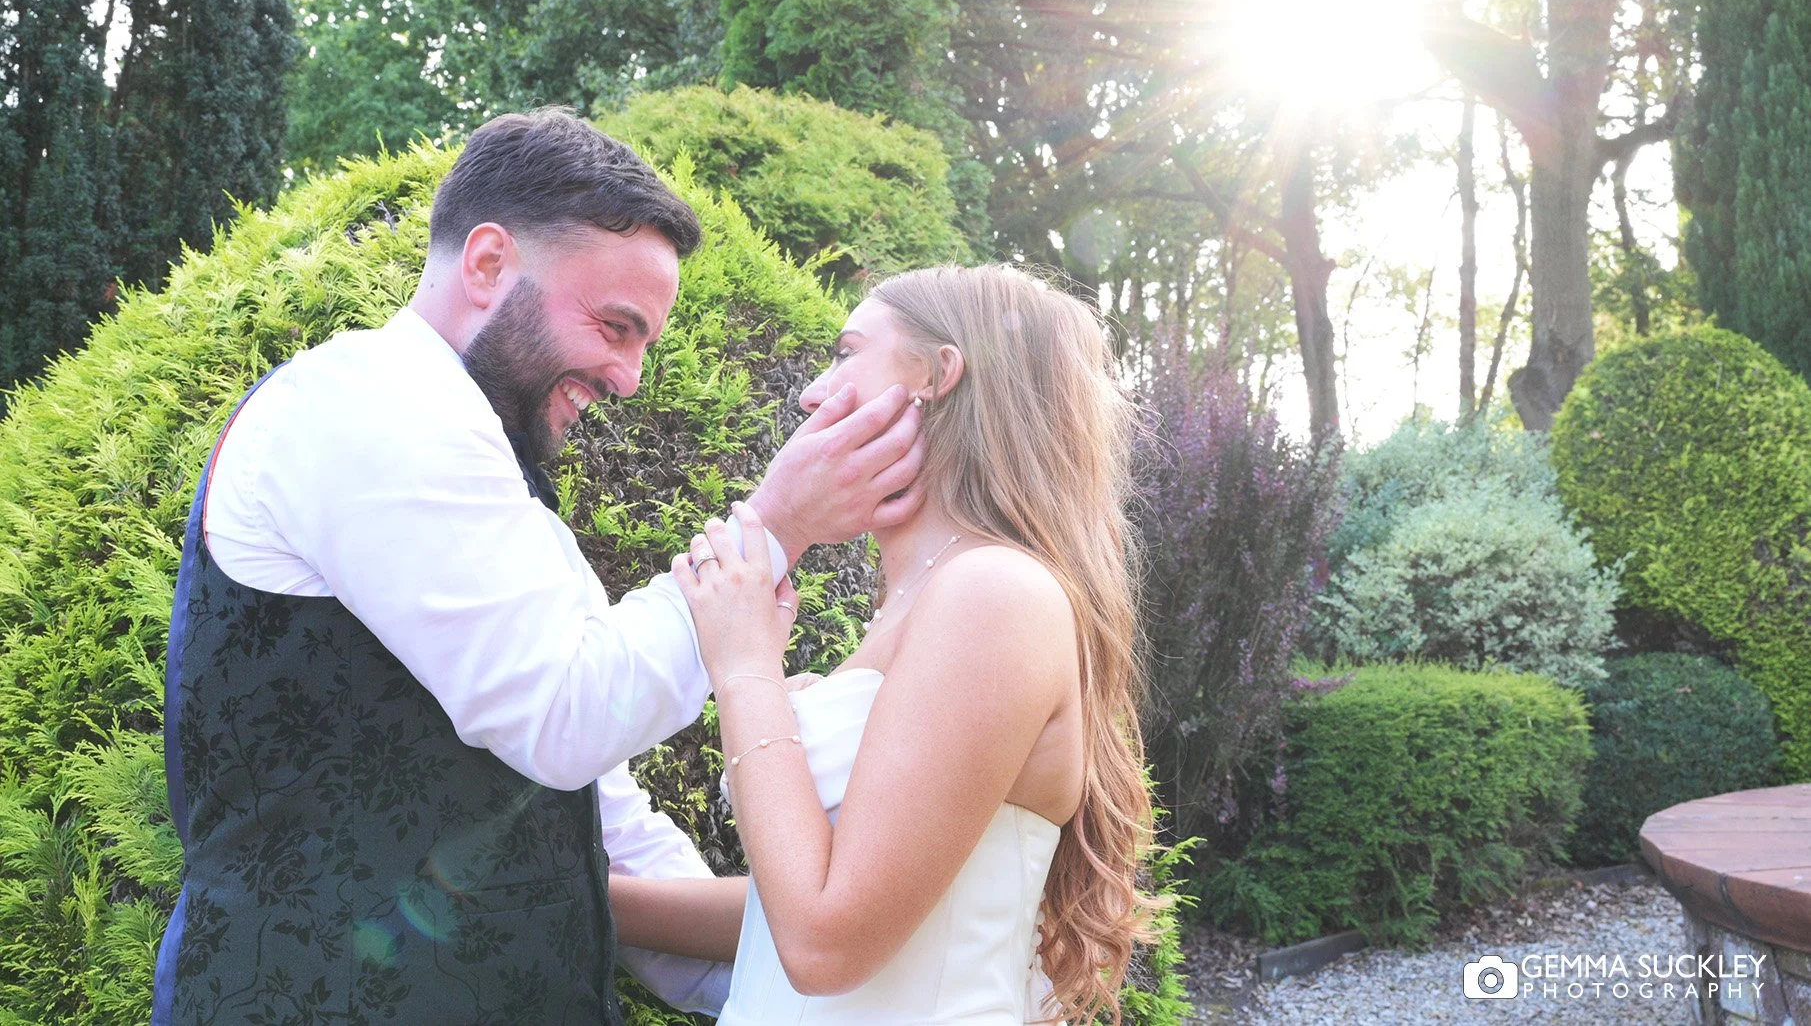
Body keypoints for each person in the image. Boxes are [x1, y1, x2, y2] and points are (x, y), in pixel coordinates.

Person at [153, 107, 927, 1024]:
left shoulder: (490, 478)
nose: (629, 376)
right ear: (488, 264)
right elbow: (562, 716)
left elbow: (594, 815)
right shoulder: (368, 407)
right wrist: (776, 524)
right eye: (615, 325)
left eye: (642, 342)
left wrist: (801, 1001)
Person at [612, 263, 1166, 1025]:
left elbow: (825, 948)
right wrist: (575, 896)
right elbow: (792, 914)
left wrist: (745, 670)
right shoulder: (919, 605)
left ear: (936, 375)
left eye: (845, 353)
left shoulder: (993, 593)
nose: (811, 394)